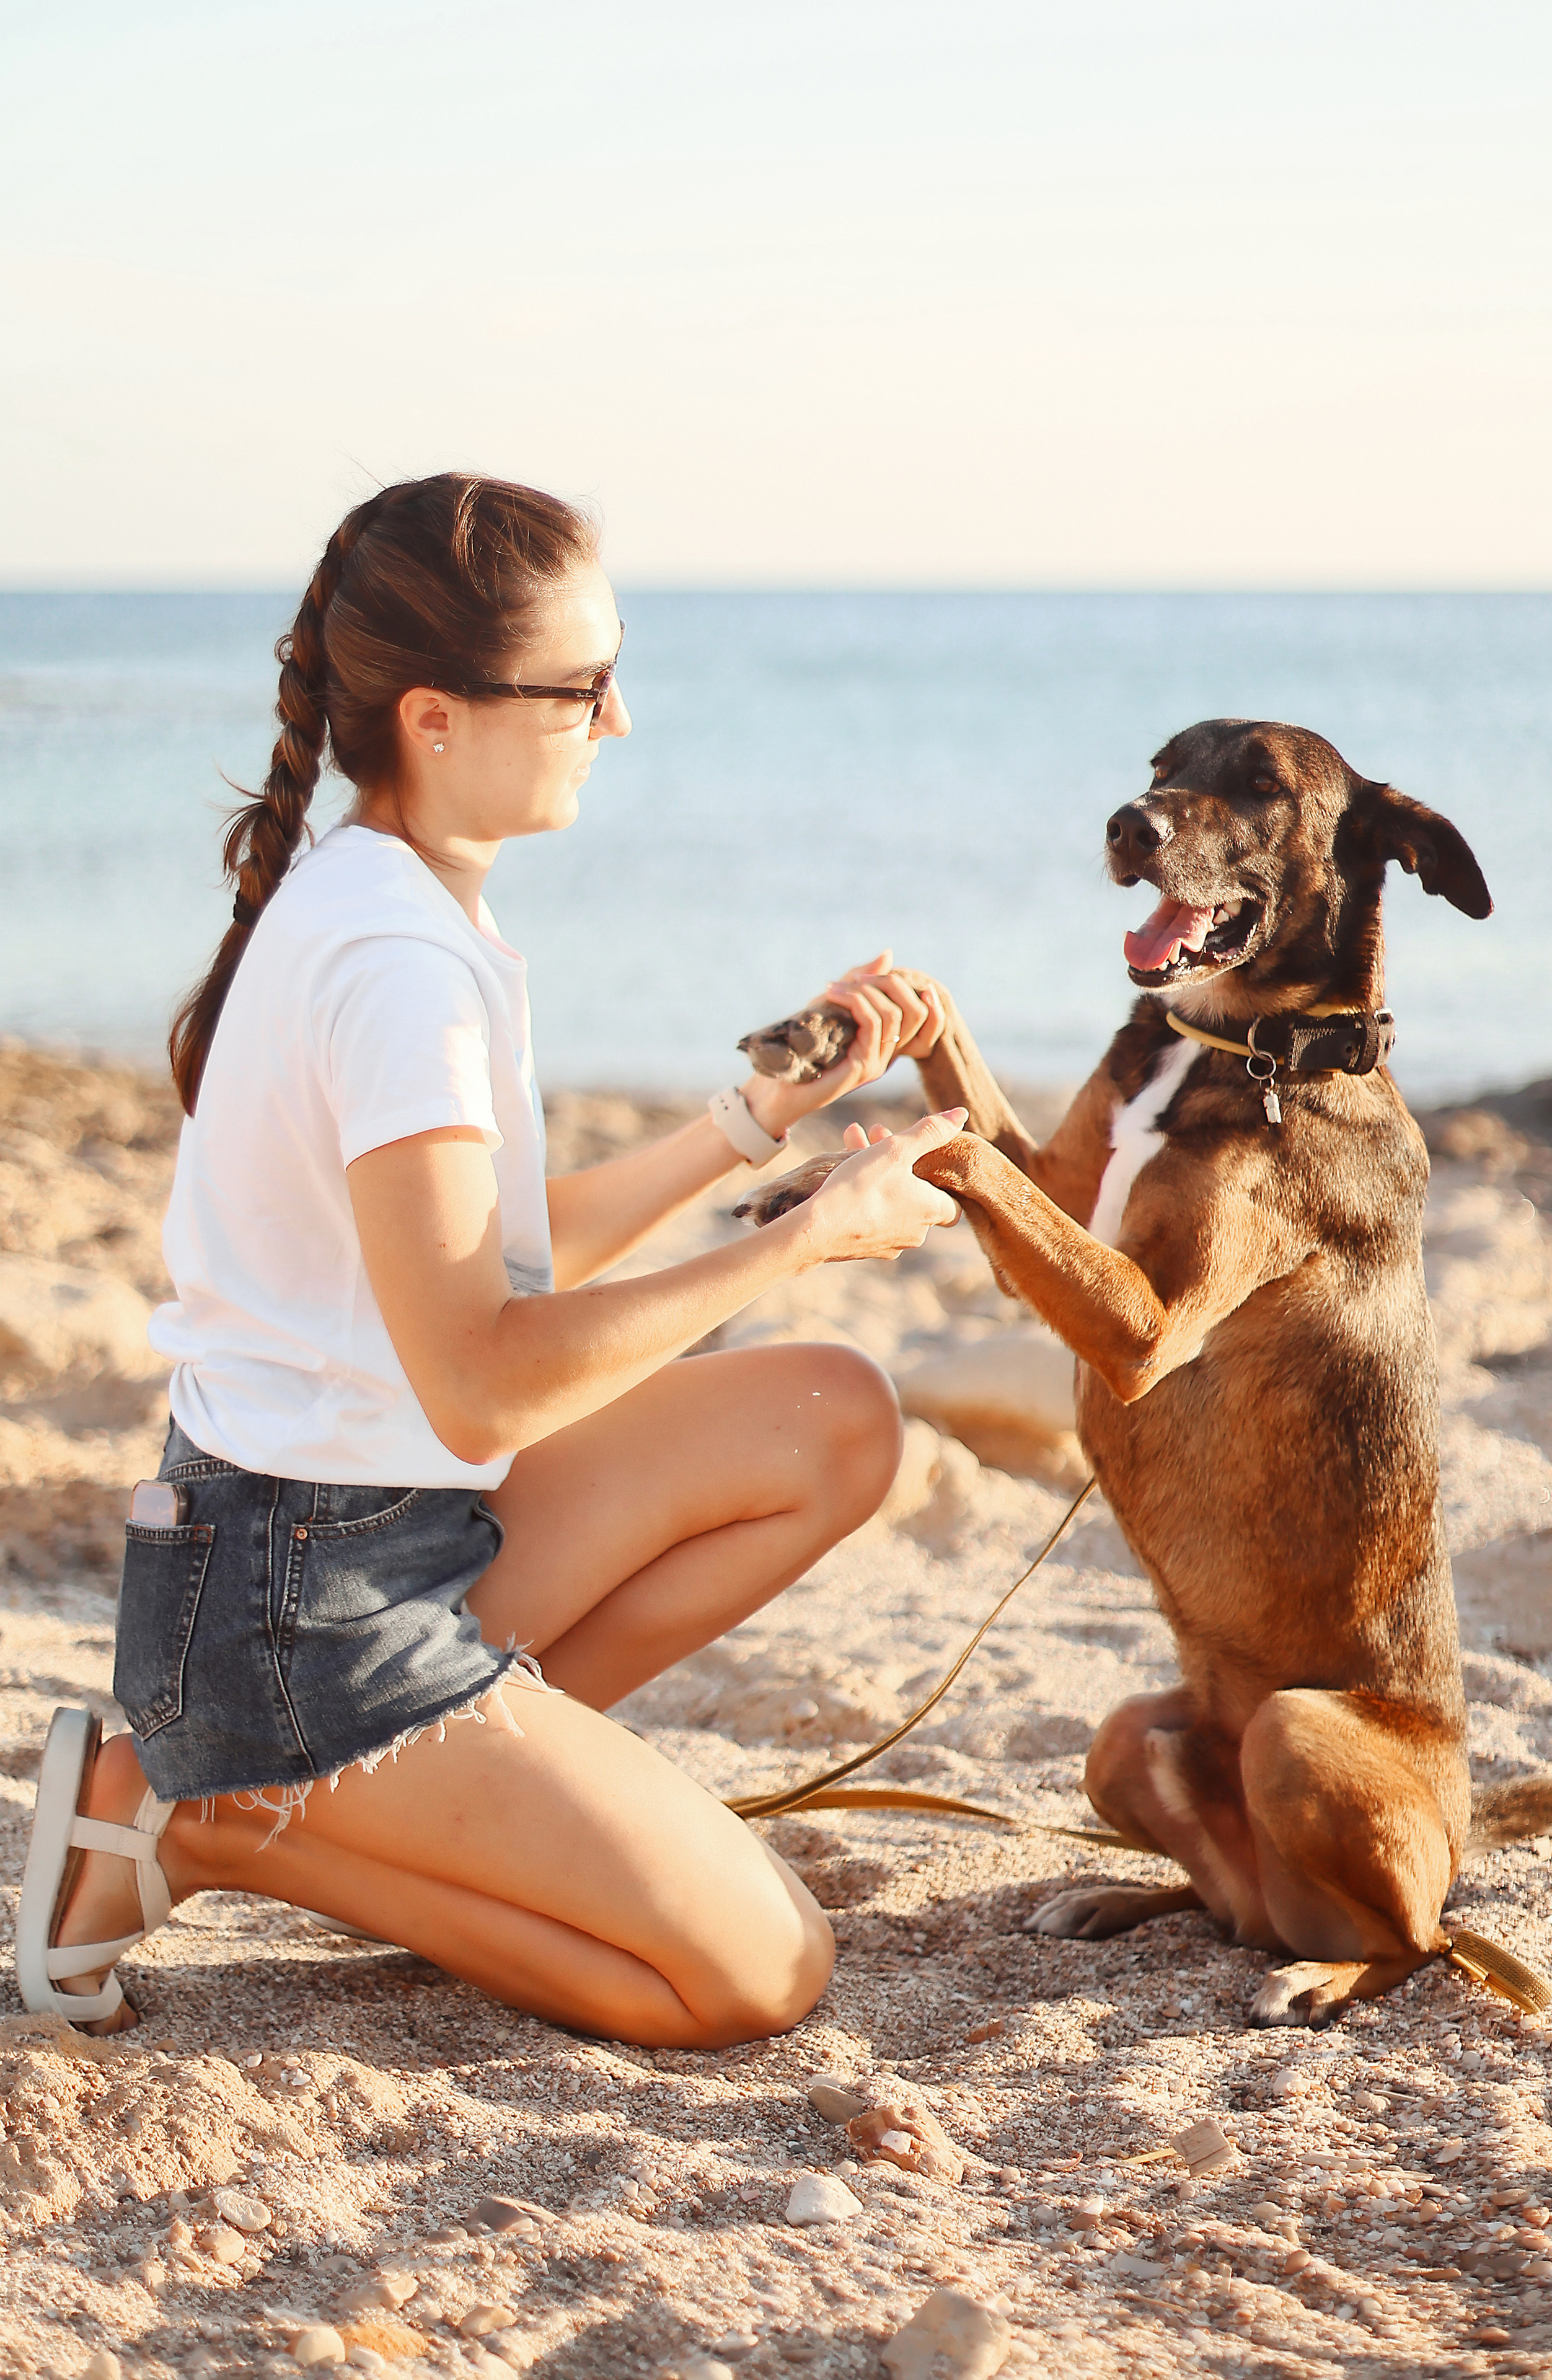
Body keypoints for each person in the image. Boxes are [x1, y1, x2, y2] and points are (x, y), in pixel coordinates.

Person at [15, 474, 963, 2050]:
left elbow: (490, 1259)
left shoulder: (397, 902)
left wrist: (754, 1124)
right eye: (583, 688)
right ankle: (211, 1822)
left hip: (361, 1535)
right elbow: (480, 1377)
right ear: (436, 718)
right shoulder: (395, 967)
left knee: (832, 1420)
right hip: (296, 1602)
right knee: (751, 1973)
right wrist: (808, 1237)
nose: (618, 721)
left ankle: (373, 1792)